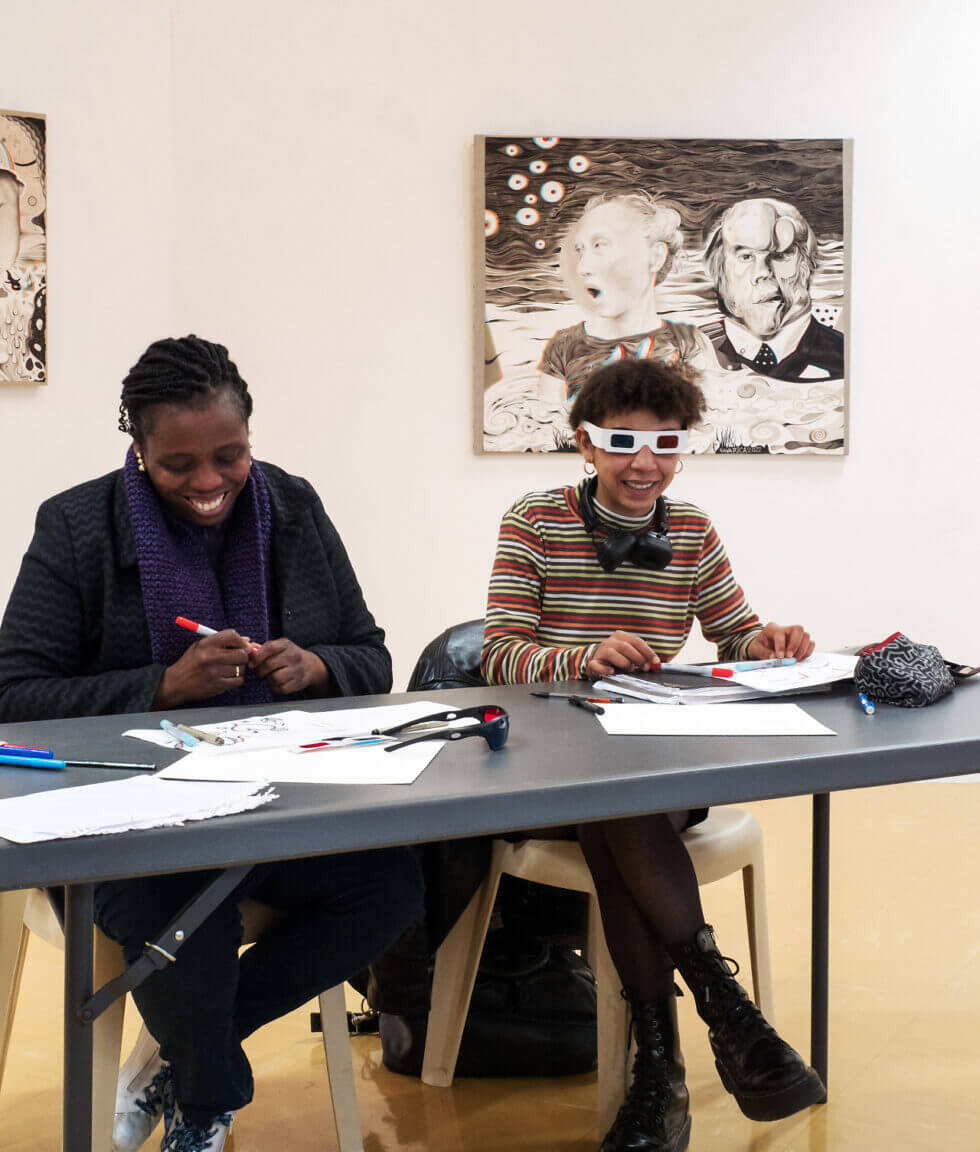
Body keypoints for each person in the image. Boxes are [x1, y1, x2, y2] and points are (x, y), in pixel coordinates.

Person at [0, 336, 424, 1152]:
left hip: (279, 803)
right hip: (131, 817)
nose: (208, 483)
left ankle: (191, 1053)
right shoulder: (78, 527)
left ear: (251, 437)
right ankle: (206, 1103)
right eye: (177, 465)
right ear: (139, 448)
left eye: (230, 456)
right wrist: (163, 687)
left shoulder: (294, 508)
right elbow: (14, 695)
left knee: (391, 891)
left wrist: (318, 665)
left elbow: (372, 656)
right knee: (187, 912)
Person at [482, 357, 824, 1152]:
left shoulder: (694, 529)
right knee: (616, 806)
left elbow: (735, 632)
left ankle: (660, 1077)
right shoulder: (534, 522)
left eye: (665, 445)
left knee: (623, 804)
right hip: (553, 762)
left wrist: (766, 642)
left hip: (655, 758)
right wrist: (582, 656)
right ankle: (727, 1015)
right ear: (585, 445)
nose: (646, 463)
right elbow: (496, 653)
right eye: (623, 443)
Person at [538, 189, 717, 403]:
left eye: (600, 245)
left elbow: (709, 428)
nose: (583, 267)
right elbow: (547, 431)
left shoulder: (688, 345)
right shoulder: (563, 349)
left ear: (655, 256)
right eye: (580, 250)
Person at [702, 197, 844, 381]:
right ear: (719, 271)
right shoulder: (690, 353)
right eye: (745, 257)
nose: (763, 272)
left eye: (780, 255)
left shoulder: (847, 356)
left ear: (807, 265)